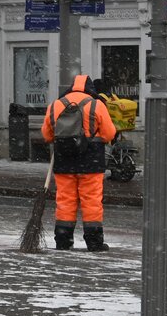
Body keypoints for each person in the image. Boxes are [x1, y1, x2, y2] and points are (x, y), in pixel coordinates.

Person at [41, 74, 117, 252]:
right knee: (91, 201)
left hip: (63, 161)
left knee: (65, 201)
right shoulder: (96, 104)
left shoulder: (56, 105)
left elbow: (46, 135)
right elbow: (108, 134)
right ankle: (94, 242)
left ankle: (63, 240)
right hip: (91, 162)